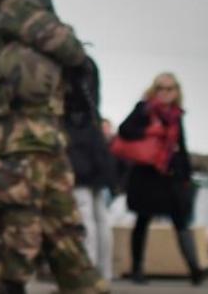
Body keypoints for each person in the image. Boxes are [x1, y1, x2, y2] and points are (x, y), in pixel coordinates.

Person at [0, 0, 106, 294]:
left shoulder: (31, 3)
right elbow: (65, 44)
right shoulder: (12, 2)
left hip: (45, 138)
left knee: (66, 239)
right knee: (19, 242)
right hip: (17, 139)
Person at [116, 72, 208, 285]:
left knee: (181, 221)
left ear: (176, 91)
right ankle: (137, 268)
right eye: (161, 88)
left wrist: (186, 175)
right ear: (154, 90)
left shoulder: (176, 115)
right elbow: (125, 130)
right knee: (143, 220)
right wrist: (151, 130)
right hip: (147, 174)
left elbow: (182, 147)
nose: (165, 93)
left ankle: (195, 268)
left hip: (170, 175)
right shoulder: (144, 109)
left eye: (170, 88)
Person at [66, 58, 117, 283]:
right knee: (100, 217)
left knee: (86, 216)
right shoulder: (90, 72)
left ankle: (90, 276)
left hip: (78, 152)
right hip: (95, 151)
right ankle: (102, 274)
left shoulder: (71, 98)